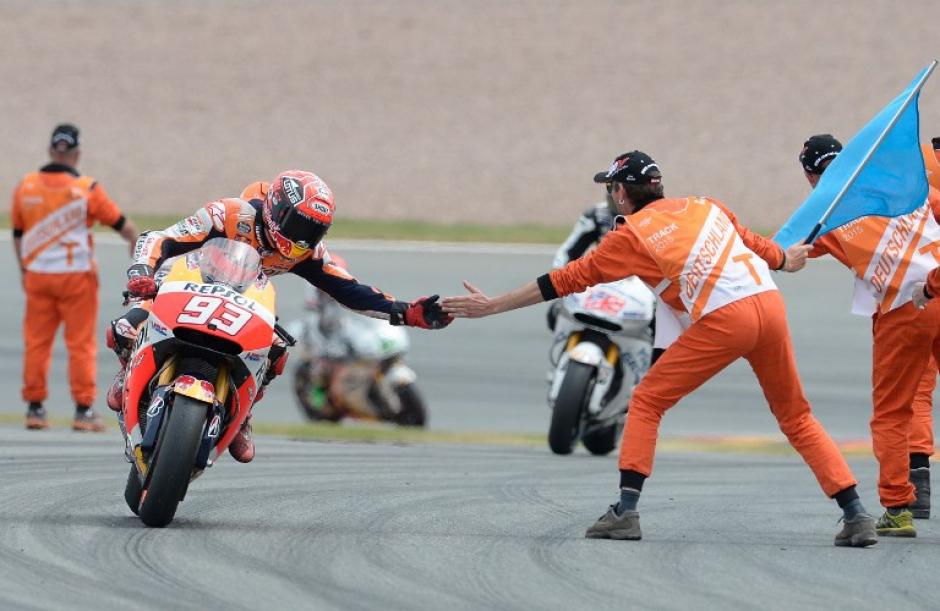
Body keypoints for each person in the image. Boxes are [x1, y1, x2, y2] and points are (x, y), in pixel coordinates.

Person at [443, 150, 877, 547]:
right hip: (770, 305)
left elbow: (562, 281)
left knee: (648, 401)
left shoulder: (630, 235)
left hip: (727, 319)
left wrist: (493, 305)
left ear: (620, 193)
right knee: (797, 416)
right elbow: (761, 248)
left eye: (611, 189)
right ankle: (855, 514)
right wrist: (787, 259)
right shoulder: (707, 205)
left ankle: (625, 512)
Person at [107, 170, 451, 462]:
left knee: (276, 350)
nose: (302, 238)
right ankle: (128, 372)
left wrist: (406, 312)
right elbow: (161, 237)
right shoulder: (228, 213)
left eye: (313, 231)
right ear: (275, 209)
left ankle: (241, 417)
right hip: (178, 283)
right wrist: (142, 270)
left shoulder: (305, 253)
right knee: (125, 327)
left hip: (238, 302)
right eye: (296, 224)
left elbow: (348, 289)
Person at [799, 134, 940, 535]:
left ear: (811, 176)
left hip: (905, 309)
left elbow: (783, 250)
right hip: (934, 289)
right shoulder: (903, 181)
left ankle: (898, 509)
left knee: (892, 413)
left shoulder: (824, 214)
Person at [11, 123, 139, 432]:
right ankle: (83, 410)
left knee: (36, 343)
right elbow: (124, 226)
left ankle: (35, 409)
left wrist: (24, 270)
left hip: (38, 276)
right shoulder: (87, 189)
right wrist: (136, 253)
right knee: (80, 344)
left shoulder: (26, 186)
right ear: (77, 153)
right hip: (76, 278)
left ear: (51, 150)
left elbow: (17, 234)